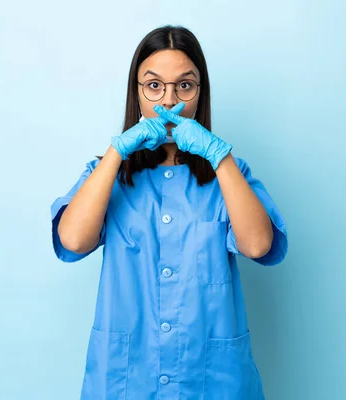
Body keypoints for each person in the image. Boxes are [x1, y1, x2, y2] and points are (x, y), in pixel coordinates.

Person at [50, 25, 288, 400]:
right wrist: (116, 153)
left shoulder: (230, 175)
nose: (169, 101)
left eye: (185, 85)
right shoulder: (106, 176)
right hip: (127, 379)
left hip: (211, 380)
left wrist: (218, 155)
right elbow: (74, 240)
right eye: (154, 85)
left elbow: (258, 244)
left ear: (199, 93)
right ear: (137, 92)